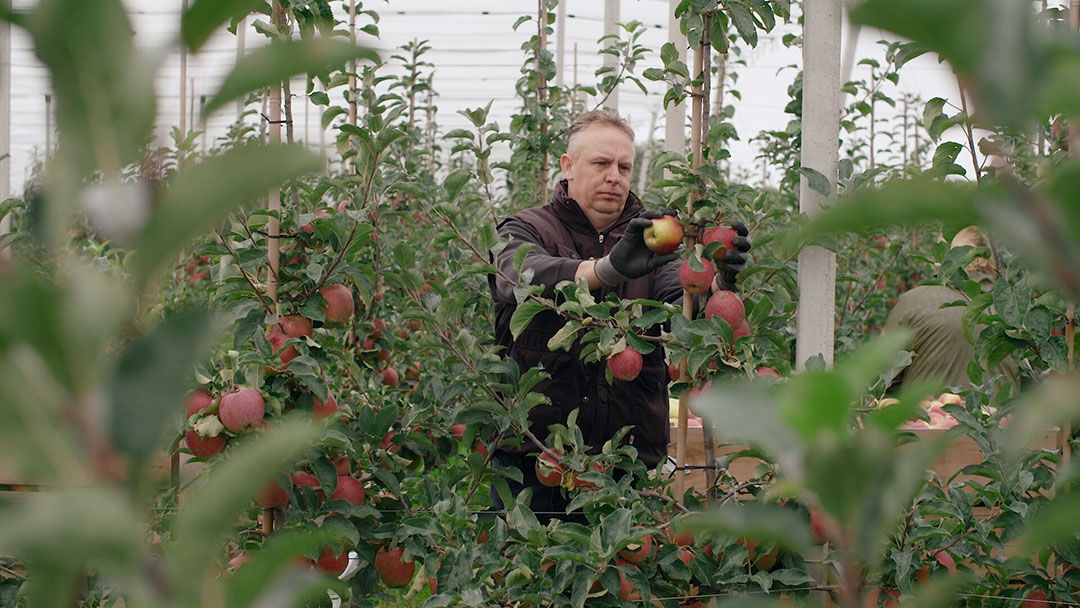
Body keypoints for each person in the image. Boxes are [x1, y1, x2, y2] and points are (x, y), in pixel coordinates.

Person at [488, 110, 751, 518]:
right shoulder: (525, 229)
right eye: (601, 163)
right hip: (535, 462)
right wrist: (607, 269)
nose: (615, 176)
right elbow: (518, 278)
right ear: (568, 166)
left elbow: (680, 306)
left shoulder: (657, 240)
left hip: (628, 467)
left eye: (624, 166)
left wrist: (719, 283)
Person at [883, 226, 1015, 391]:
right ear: (987, 260)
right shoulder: (1014, 314)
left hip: (933, 415)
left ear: (942, 259)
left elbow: (880, 378)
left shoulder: (915, 301)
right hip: (1005, 416)